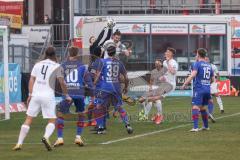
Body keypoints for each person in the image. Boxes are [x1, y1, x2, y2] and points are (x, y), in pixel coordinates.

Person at [13, 47, 71, 151]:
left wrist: (30, 94)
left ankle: (19, 143)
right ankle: (46, 137)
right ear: (55, 55)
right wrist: (66, 95)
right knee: (52, 119)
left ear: (45, 54)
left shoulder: (38, 64)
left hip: (36, 95)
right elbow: (62, 82)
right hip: (48, 96)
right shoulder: (57, 66)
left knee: (29, 119)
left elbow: (31, 79)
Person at [54, 46, 94, 147]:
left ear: (69, 53)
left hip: (68, 93)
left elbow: (59, 80)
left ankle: (60, 138)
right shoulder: (82, 66)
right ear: (77, 55)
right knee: (81, 114)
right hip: (79, 93)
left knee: (60, 114)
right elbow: (89, 81)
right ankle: (78, 137)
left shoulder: (62, 65)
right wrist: (93, 94)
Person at [94, 44, 133, 134]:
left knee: (100, 107)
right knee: (119, 107)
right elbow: (126, 78)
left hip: (105, 87)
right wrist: (126, 87)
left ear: (107, 52)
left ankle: (101, 128)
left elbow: (97, 75)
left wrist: (94, 84)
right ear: (115, 53)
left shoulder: (103, 62)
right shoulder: (119, 63)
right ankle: (127, 125)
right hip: (116, 88)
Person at [138, 47, 178, 124]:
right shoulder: (164, 62)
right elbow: (165, 74)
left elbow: (173, 72)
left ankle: (157, 116)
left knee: (152, 99)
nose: (165, 53)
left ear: (171, 54)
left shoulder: (173, 63)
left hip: (170, 86)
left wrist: (168, 62)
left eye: (167, 52)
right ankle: (154, 115)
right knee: (144, 99)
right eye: (166, 51)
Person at [181, 48, 215, 132]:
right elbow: (213, 79)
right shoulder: (209, 65)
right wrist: (206, 83)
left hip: (199, 89)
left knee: (195, 107)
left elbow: (193, 75)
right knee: (203, 107)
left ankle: (195, 127)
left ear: (198, 54)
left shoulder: (197, 64)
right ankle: (206, 126)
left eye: (196, 54)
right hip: (207, 89)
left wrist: (185, 83)